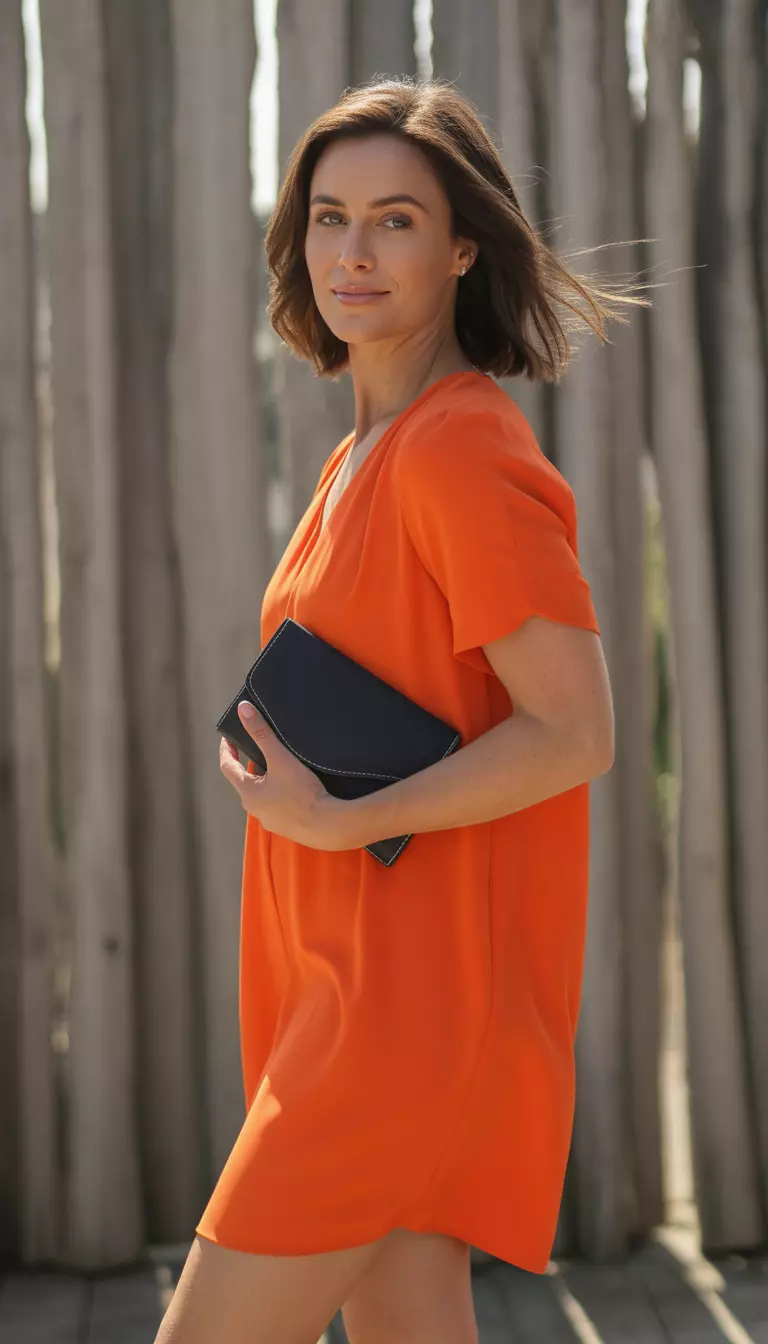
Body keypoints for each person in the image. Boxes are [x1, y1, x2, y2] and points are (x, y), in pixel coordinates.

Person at [156, 75, 643, 1344]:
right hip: (344, 993)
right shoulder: (361, 455)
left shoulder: (460, 449)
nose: (353, 252)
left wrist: (335, 820)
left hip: (397, 1023)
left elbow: (576, 730)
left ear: (463, 248)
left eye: (396, 220)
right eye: (330, 217)